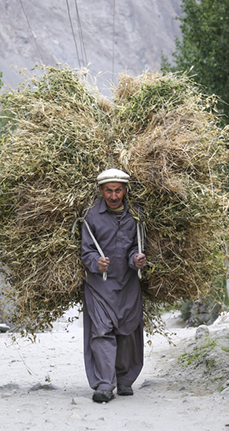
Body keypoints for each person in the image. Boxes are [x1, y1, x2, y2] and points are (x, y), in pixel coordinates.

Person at [80, 168, 147, 403]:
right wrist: (95, 263)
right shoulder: (90, 215)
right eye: (108, 191)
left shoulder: (136, 215)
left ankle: (125, 379)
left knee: (127, 330)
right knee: (101, 331)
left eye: (118, 190)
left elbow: (136, 247)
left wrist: (136, 259)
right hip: (99, 285)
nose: (114, 196)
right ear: (100, 190)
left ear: (125, 190)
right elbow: (85, 250)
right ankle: (104, 384)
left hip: (127, 284)